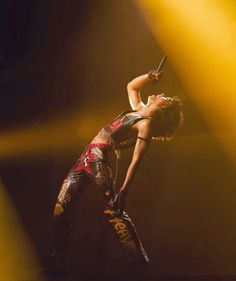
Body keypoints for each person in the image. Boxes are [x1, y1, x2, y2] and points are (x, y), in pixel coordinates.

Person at [50, 69, 183, 275]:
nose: (160, 93)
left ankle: (137, 262)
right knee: (61, 208)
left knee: (114, 211)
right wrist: (150, 77)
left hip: (100, 160)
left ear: (163, 108)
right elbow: (131, 86)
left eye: (164, 97)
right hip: (85, 158)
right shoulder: (138, 109)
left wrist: (125, 190)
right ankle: (58, 260)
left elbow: (137, 160)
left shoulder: (145, 124)